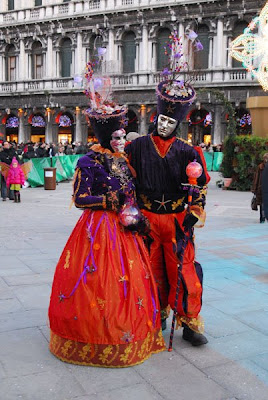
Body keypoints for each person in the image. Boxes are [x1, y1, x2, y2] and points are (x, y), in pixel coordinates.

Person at [48, 99, 166, 367]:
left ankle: (125, 328)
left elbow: (131, 193)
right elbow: (80, 199)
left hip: (126, 230)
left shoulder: (123, 161)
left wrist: (136, 215)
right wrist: (106, 202)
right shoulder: (89, 161)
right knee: (99, 280)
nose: (122, 141)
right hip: (99, 230)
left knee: (129, 281)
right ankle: (97, 332)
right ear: (104, 136)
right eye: (116, 136)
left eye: (124, 136)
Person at [126, 78, 209, 346]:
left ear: (178, 124)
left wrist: (195, 209)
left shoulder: (189, 151)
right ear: (156, 117)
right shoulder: (135, 147)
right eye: (161, 119)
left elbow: (200, 186)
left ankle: (189, 321)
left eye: (170, 122)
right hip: (146, 220)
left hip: (176, 220)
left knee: (184, 271)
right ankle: (154, 315)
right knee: (149, 270)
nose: (164, 125)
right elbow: (125, 182)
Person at [252, 153, 268, 223]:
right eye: (265, 158)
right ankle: (262, 217)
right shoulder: (260, 167)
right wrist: (254, 188)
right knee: (262, 204)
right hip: (261, 188)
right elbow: (256, 178)